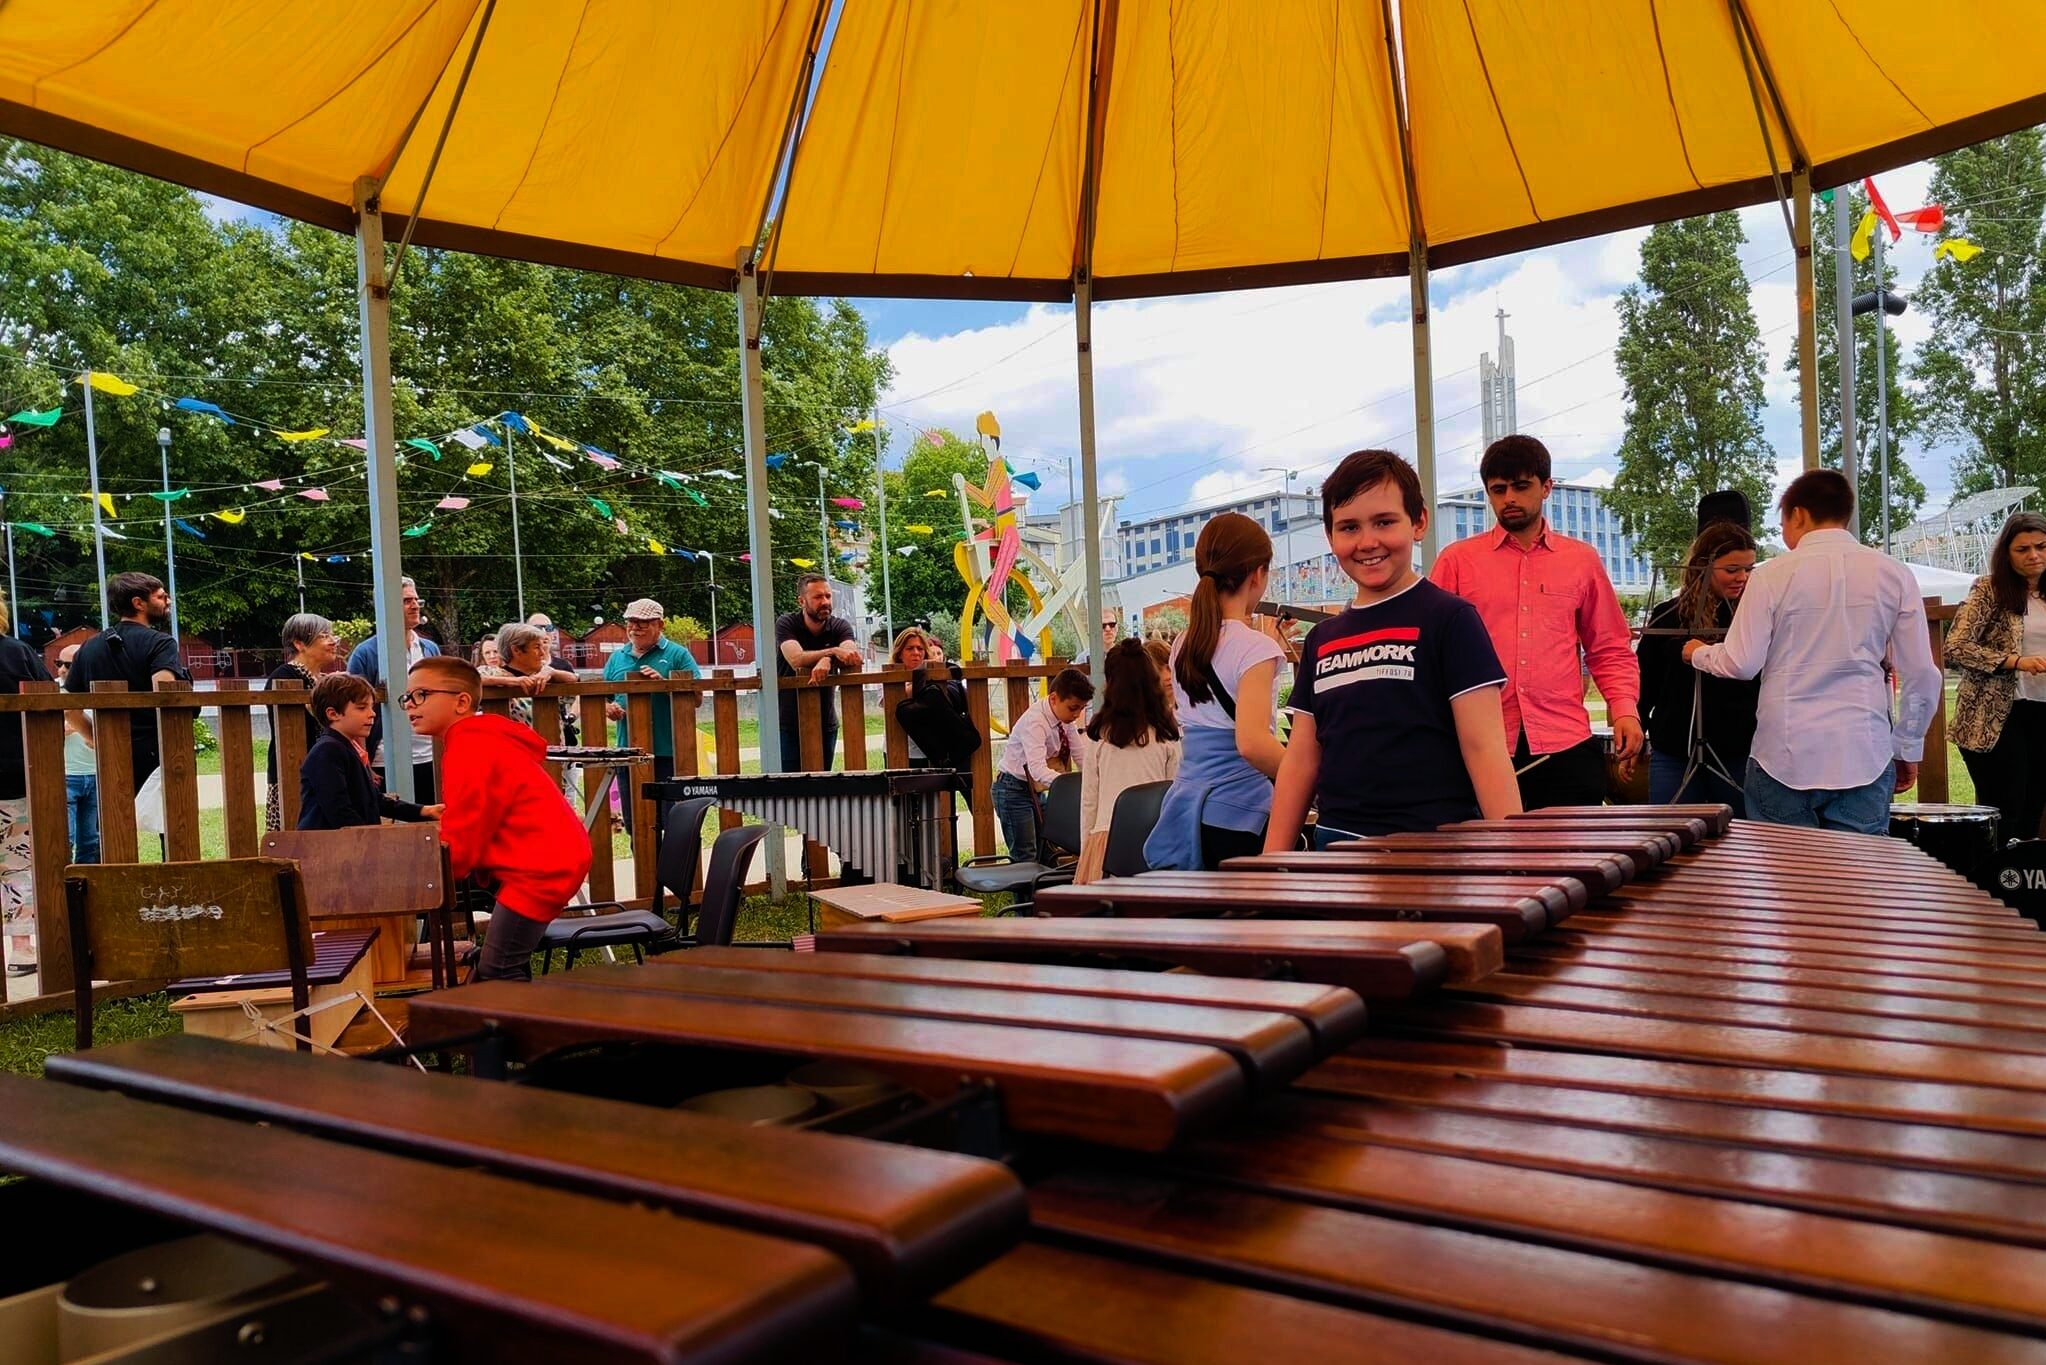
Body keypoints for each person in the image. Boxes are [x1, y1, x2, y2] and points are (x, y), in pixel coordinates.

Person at [1265, 451, 1520, 849]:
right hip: (1336, 850)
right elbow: (1300, 761)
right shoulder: (1321, 639)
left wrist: (1515, 858)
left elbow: (1485, 749)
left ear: (1419, 522)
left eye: (1384, 522)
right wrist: (1271, 862)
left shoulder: (1451, 619)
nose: (1368, 542)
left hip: (1432, 850)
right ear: (1330, 537)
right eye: (1349, 527)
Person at [1685, 469, 1941, 833]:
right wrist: (1907, 745)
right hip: (1864, 753)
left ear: (1798, 515)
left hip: (1784, 756)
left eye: (1783, 522)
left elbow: (1741, 663)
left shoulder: (1770, 575)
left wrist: (1698, 653)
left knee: (1788, 870)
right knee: (1859, 869)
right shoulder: (1894, 573)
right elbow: (1923, 674)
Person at [1429, 435, 1642, 808]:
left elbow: (1608, 646)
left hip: (1565, 745)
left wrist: (1624, 708)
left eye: (1521, 486)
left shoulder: (1582, 561)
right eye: (1498, 489)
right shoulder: (1456, 561)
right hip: (1478, 745)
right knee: (1481, 848)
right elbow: (1430, 654)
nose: (1509, 498)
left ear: (1546, 487)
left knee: (1572, 848)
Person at [402, 656, 591, 982]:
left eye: (421, 695)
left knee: (499, 970)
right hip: (546, 858)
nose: (409, 704)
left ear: (461, 702)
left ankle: (529, 1016)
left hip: (541, 867)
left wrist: (429, 878)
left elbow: (465, 831)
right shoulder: (476, 738)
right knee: (496, 966)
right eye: (407, 697)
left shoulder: (469, 747)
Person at [1143, 513, 1289, 870]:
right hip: (1241, 812)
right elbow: (1252, 743)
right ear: (1258, 574)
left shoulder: (1183, 643)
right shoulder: (1256, 649)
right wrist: (1311, 778)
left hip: (1189, 807)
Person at [1636, 523, 1759, 809]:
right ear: (1703, 567)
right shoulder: (1668, 614)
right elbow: (1645, 683)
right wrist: (1636, 733)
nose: (1742, 578)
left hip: (1738, 752)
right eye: (1732, 569)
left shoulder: (1754, 617)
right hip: (1674, 753)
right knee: (1671, 832)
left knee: (1741, 834)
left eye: (1749, 569)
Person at [1945, 511, 2046, 843]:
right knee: (2005, 808)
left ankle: (2024, 874)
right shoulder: (1989, 590)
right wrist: (2014, 661)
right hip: (1995, 717)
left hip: (2042, 710)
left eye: (2041, 546)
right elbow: (1956, 646)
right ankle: (1995, 871)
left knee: (2033, 808)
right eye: (2023, 549)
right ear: (2007, 554)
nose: (2034, 555)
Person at [61, 572, 186, 796]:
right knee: (168, 816)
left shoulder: (89, 647)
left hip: (110, 751)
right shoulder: (161, 643)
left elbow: (70, 709)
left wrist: (95, 738)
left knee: (115, 815)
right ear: (138, 603)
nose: (168, 601)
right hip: (157, 751)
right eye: (161, 597)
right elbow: (165, 694)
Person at [1076, 639, 1181, 882]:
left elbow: (1089, 801)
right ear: (1151, 681)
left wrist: (1086, 853)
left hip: (1106, 842)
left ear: (1110, 684)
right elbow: (1175, 797)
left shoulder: (1099, 736)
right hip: (1153, 842)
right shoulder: (1166, 735)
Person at [602, 599, 701, 836]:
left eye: (643, 622)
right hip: (629, 753)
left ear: (660, 625)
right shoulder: (616, 658)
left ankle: (671, 862)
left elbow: (697, 699)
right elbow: (603, 698)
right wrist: (609, 708)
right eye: (631, 622)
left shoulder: (678, 654)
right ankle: (645, 863)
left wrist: (664, 684)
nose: (635, 627)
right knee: (637, 826)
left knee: (674, 823)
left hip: (670, 753)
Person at [297, 674, 439, 830]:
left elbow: (374, 800)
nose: (372, 713)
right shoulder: (327, 751)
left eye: (371, 707)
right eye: (361, 708)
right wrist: (371, 839)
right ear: (333, 714)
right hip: (329, 843)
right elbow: (340, 812)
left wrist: (424, 811)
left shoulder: (347, 747)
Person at [346, 576, 441, 804]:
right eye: (406, 601)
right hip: (383, 761)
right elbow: (353, 710)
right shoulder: (365, 653)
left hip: (430, 756)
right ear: (385, 607)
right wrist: (364, 763)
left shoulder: (430, 649)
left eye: (417, 600)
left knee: (434, 820)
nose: (415, 605)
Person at [0, 595, 51, 976]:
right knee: (17, 862)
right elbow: (48, 699)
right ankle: (21, 946)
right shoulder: (15, 652)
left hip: (12, 772)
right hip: (13, 772)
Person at [991, 667, 1092, 861]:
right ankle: (1027, 883)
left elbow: (1080, 755)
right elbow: (1037, 769)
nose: (1077, 714)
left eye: (1081, 708)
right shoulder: (1036, 722)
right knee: (1026, 856)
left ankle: (1045, 881)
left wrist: (1092, 778)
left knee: (1048, 852)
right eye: (1073, 708)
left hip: (1034, 790)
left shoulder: (1064, 720)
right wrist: (1067, 785)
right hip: (1012, 790)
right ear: (1054, 698)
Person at [775, 574, 860, 770]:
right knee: (788, 784)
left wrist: (827, 658)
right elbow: (796, 659)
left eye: (828, 596)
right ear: (801, 601)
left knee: (822, 783)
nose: (825, 602)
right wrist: (832, 651)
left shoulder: (839, 626)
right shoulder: (786, 623)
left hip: (825, 722)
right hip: (788, 724)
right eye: (818, 597)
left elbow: (851, 655)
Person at [264, 613, 339, 832]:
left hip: (323, 770)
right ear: (299, 644)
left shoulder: (321, 681)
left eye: (332, 635)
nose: (333, 641)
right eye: (324, 636)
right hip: (292, 773)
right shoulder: (285, 677)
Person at [485, 621, 573, 730]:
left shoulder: (544, 675)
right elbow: (468, 680)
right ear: (516, 650)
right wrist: (511, 681)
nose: (543, 653)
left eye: (542, 646)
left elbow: (575, 679)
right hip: (512, 740)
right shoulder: (492, 673)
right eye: (536, 647)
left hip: (551, 740)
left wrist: (552, 672)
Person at [56, 645, 99, 865]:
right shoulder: (52, 691)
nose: (62, 670)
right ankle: (62, 882)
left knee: (91, 841)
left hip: (95, 774)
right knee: (66, 838)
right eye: (59, 663)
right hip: (65, 775)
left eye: (68, 665)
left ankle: (86, 882)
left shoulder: (96, 690)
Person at [526, 611, 580, 744]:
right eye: (538, 628)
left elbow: (578, 695)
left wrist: (571, 717)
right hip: (527, 731)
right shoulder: (520, 664)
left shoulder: (563, 665)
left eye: (548, 628)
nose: (544, 631)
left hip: (559, 732)